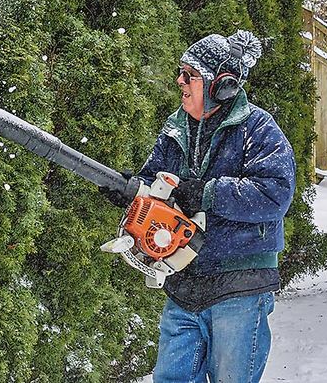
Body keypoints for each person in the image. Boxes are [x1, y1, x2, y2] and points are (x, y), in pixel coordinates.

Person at [110, 30, 296, 383]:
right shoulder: (176, 130)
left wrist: (208, 194)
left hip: (239, 285)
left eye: (190, 74)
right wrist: (131, 190)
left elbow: (275, 194)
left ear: (220, 85)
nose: (180, 80)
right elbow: (155, 183)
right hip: (184, 285)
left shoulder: (257, 129)